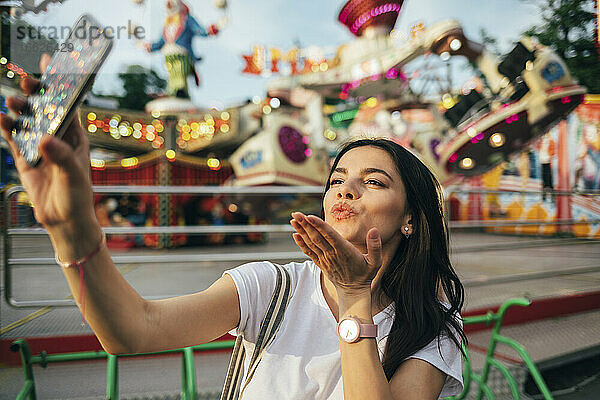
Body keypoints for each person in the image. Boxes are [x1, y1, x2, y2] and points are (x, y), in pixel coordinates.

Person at [1, 70, 466, 399]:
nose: (345, 187)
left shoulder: (432, 325)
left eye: (374, 181)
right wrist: (73, 227)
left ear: (411, 218)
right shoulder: (271, 286)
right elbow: (132, 329)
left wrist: (354, 298)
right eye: (338, 178)